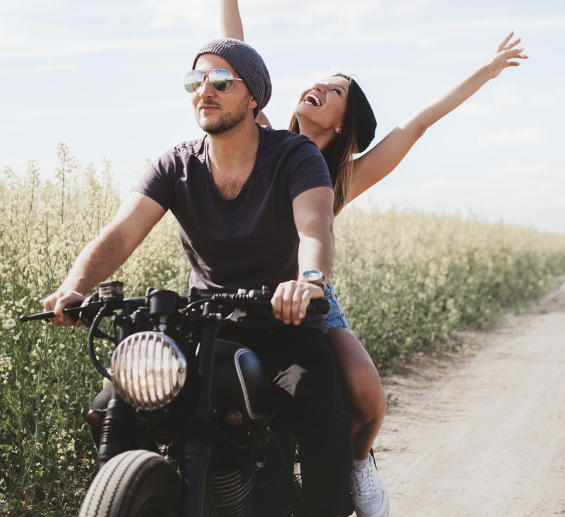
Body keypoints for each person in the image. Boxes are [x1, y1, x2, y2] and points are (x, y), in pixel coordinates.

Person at [203, 0, 528, 517]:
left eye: (334, 91)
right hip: (248, 296)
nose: (318, 87)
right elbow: (236, 52)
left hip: (310, 295)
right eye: (320, 80)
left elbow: (417, 124)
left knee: (368, 399)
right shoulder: (265, 138)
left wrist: (486, 71)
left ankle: (353, 467)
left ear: (341, 122)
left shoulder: (343, 174)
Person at [43, 38, 353, 517]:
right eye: (196, 81)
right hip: (208, 326)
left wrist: (308, 282)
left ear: (254, 98)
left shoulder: (294, 156)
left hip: (282, 325)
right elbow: (121, 234)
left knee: (316, 406)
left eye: (221, 81)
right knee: (111, 405)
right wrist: (74, 286)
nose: (204, 91)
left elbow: (315, 227)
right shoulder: (176, 163)